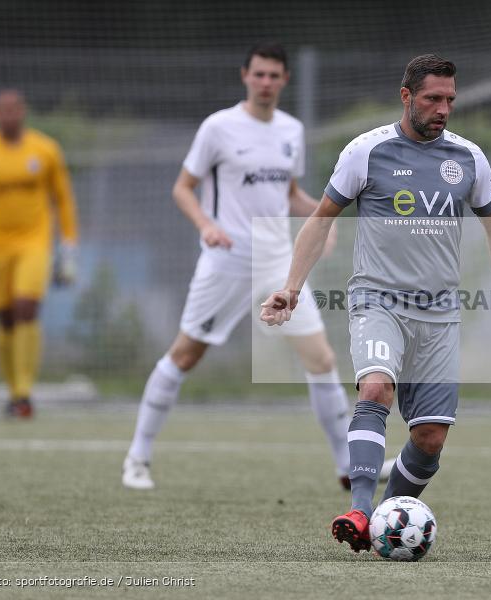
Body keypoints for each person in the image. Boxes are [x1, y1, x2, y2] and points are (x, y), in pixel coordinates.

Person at [260, 54, 491, 552]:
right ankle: (361, 512)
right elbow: (322, 218)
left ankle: (387, 517)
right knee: (375, 390)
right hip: (378, 301)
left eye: (450, 99)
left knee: (430, 439)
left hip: (439, 313)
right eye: (433, 98)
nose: (443, 108)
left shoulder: (468, 158)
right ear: (407, 95)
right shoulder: (366, 152)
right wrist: (292, 288)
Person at [121, 43, 351, 491]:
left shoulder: (291, 130)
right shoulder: (219, 128)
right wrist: (206, 225)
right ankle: (137, 457)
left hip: (279, 263)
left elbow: (287, 194)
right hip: (226, 262)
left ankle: (348, 466)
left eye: (273, 76)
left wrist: (320, 219)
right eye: (258, 74)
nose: (265, 83)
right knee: (186, 354)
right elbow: (183, 188)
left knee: (321, 358)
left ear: (285, 80)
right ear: (245, 75)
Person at [0, 89, 79, 418]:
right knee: (4, 317)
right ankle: (12, 389)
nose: (9, 115)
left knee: (25, 308)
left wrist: (69, 245)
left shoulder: (45, 150)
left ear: (24, 111)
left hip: (35, 241)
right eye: (2, 110)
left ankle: (24, 393)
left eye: (14, 109)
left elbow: (63, 199)